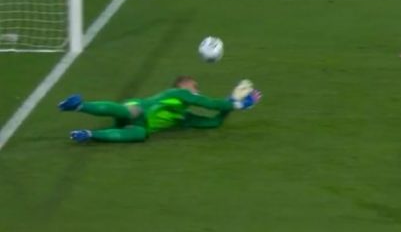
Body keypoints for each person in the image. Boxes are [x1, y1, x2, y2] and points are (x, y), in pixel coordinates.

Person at [58, 76, 261, 143]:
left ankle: (88, 134)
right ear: (183, 85)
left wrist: (231, 103)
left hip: (141, 125)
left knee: (140, 134)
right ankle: (80, 105)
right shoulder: (178, 93)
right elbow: (210, 104)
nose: (197, 90)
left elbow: (214, 121)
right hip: (138, 108)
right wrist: (238, 103)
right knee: (127, 112)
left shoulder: (182, 117)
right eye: (194, 85)